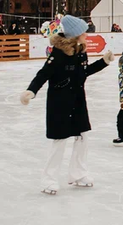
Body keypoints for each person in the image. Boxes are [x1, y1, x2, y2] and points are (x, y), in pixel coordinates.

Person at [19, 15, 115, 195]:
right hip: (60, 103)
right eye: (83, 31)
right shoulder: (59, 53)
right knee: (60, 140)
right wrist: (31, 91)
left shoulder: (80, 50)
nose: (86, 34)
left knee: (82, 137)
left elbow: (83, 72)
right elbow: (43, 74)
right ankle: (49, 179)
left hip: (78, 100)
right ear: (75, 34)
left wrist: (104, 62)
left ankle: (78, 174)